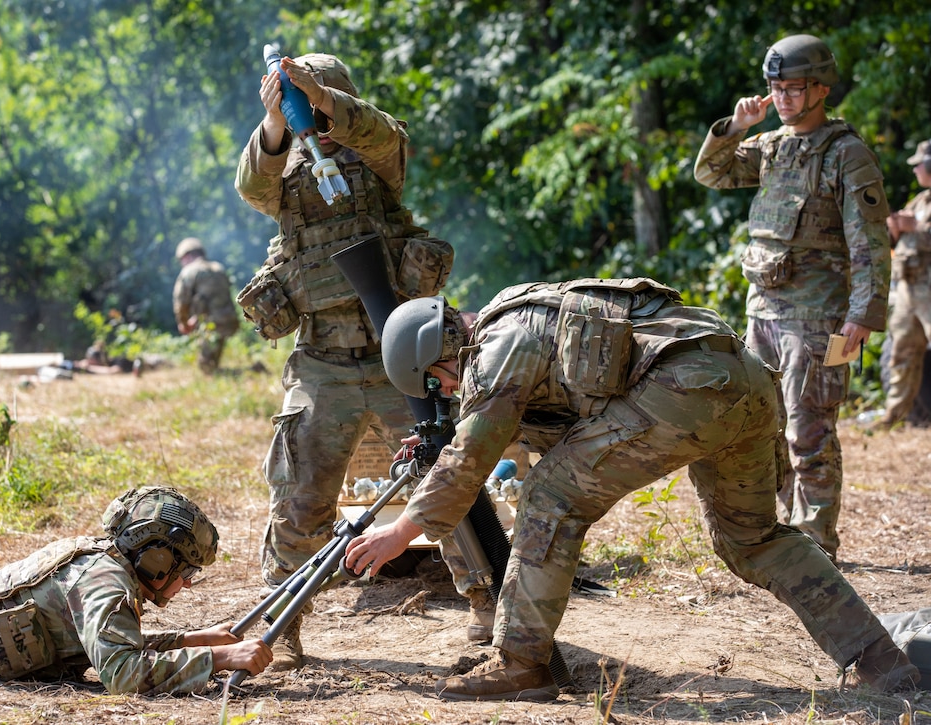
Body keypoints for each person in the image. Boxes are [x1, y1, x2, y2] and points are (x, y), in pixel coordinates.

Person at [343, 280, 919, 701]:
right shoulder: (518, 319)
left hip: (685, 390)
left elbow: (472, 458)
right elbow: (560, 420)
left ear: (443, 351)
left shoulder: (497, 346)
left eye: (439, 383)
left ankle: (521, 663)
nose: (447, 392)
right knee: (754, 539)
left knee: (550, 495)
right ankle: (885, 665)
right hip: (741, 381)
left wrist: (399, 532)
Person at [232, 51, 484, 671]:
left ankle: (488, 606)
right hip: (321, 359)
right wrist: (274, 125)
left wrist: (321, 99)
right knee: (298, 496)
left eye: (313, 103)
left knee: (445, 475)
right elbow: (249, 184)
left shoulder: (375, 156)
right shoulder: (284, 171)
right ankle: (284, 624)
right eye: (297, 104)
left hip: (400, 351)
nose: (306, 118)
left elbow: (382, 132)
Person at [693, 34, 892, 560]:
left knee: (810, 429)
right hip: (763, 311)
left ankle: (817, 540)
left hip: (818, 318)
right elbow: (711, 172)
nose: (782, 98)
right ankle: (788, 529)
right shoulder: (771, 145)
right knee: (762, 426)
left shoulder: (846, 155)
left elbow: (869, 242)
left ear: (821, 88)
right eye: (775, 88)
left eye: (793, 88)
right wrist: (736, 128)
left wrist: (863, 316)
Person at [0, 486, 272, 693]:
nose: (188, 583)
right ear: (158, 561)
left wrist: (191, 640)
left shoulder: (107, 567)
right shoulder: (106, 583)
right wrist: (217, 658)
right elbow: (122, 673)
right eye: (187, 571)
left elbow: (103, 643)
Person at [879, 140, 931, 427]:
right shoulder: (920, 201)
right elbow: (894, 243)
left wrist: (917, 228)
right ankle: (896, 416)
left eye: (919, 164)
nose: (915, 170)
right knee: (900, 353)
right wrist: (895, 228)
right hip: (910, 290)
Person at [172, 237, 240, 375]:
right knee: (212, 364)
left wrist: (183, 323)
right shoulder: (218, 267)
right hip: (228, 321)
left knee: (207, 369)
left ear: (187, 256)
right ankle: (241, 372)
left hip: (208, 325)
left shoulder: (189, 271)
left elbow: (181, 302)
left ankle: (244, 372)